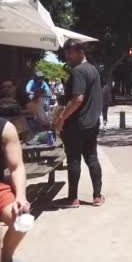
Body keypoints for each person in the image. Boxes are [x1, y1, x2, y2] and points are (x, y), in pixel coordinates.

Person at [54, 40, 105, 208]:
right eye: (67, 52)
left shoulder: (78, 71)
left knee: (74, 160)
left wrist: (62, 117)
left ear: (80, 51)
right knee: (92, 158)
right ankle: (97, 196)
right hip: (91, 124)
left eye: (70, 52)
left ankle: (73, 198)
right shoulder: (93, 70)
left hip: (76, 124)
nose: (67, 56)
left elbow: (77, 99)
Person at [0, 115, 34, 262]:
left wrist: (21, 197)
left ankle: (5, 260)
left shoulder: (4, 128)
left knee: (23, 219)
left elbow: (16, 167)